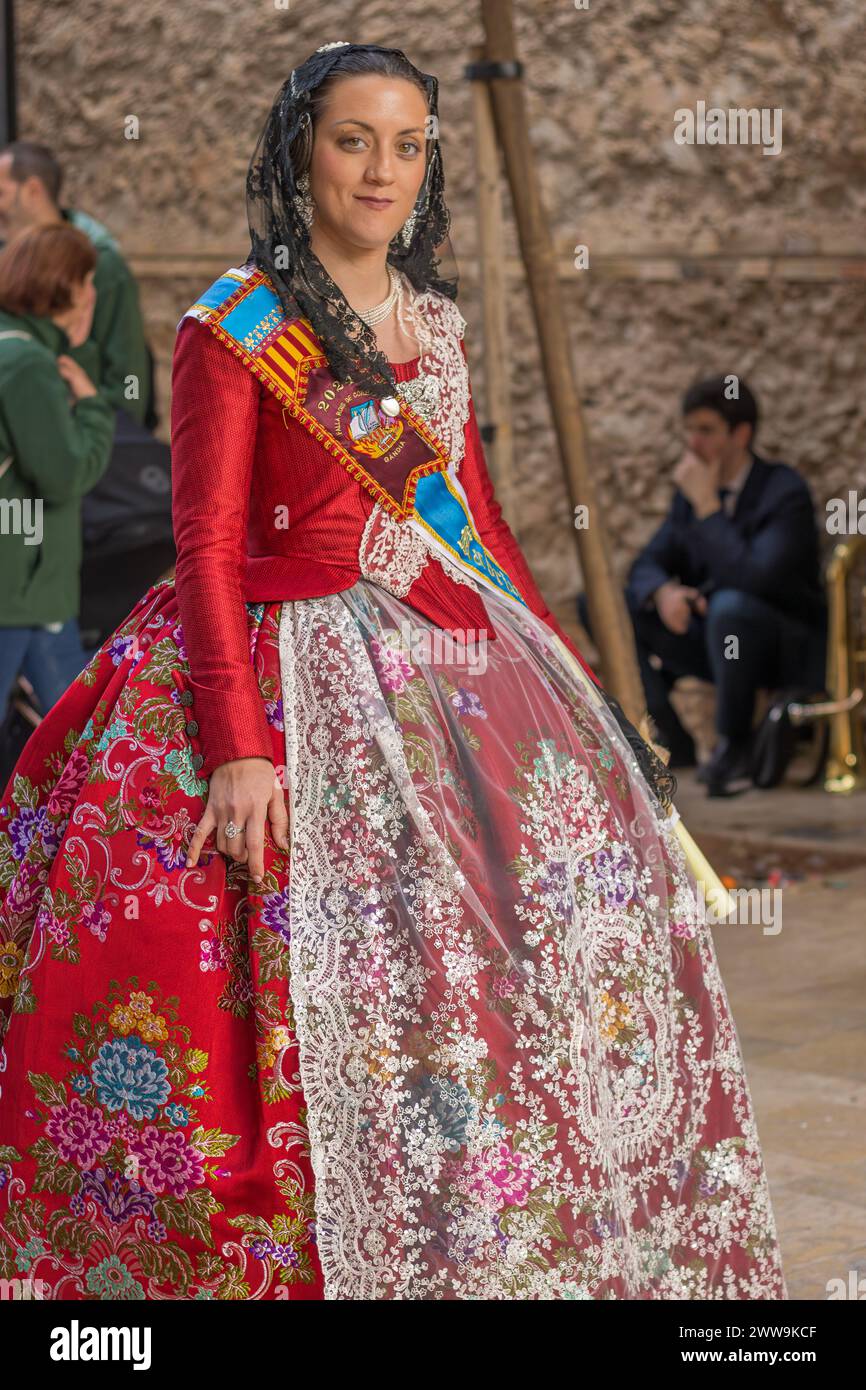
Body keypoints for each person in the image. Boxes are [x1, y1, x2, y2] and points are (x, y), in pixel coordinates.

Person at [0, 43, 787, 1301]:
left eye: (409, 145)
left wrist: (579, 694)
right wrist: (239, 745)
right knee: (261, 991)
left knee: (470, 976)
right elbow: (202, 542)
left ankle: (468, 1225)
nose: (382, 169)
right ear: (300, 151)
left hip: (437, 669)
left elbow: (474, 524)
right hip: (269, 664)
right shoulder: (233, 328)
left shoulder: (435, 327)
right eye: (354, 139)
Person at [578, 376, 827, 797]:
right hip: (715, 640)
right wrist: (664, 592)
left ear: (741, 434)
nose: (694, 443)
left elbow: (755, 579)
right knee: (602, 605)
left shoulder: (783, 492)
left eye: (707, 430)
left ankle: (734, 748)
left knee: (730, 608)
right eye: (690, 430)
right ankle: (667, 736)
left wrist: (709, 509)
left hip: (777, 647)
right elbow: (647, 564)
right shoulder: (690, 497)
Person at [0, 223, 115, 713]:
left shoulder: (17, 348)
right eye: (87, 280)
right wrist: (92, 408)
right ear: (65, 284)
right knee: (75, 730)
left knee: (73, 730)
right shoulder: (27, 362)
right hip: (20, 591)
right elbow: (65, 474)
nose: (93, 294)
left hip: (29, 591)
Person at [0, 141, 154, 427]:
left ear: (33, 190)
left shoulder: (102, 265)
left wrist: (81, 425)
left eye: (1, 194)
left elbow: (129, 385)